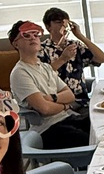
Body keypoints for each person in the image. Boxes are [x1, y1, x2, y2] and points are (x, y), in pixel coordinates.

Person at [8, 20, 91, 148]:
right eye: (26, 35)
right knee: (92, 141)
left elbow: (70, 96)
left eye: (36, 34)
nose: (33, 38)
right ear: (16, 43)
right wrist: (65, 106)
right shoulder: (20, 73)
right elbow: (44, 109)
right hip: (49, 129)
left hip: (68, 118)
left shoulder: (45, 67)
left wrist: (52, 98)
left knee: (102, 126)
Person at [39, 7, 104, 112]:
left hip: (82, 101)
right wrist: (63, 58)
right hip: (59, 104)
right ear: (48, 27)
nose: (63, 26)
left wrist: (80, 36)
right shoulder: (41, 49)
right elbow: (41, 75)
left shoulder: (75, 45)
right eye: (58, 22)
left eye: (65, 23)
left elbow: (102, 58)